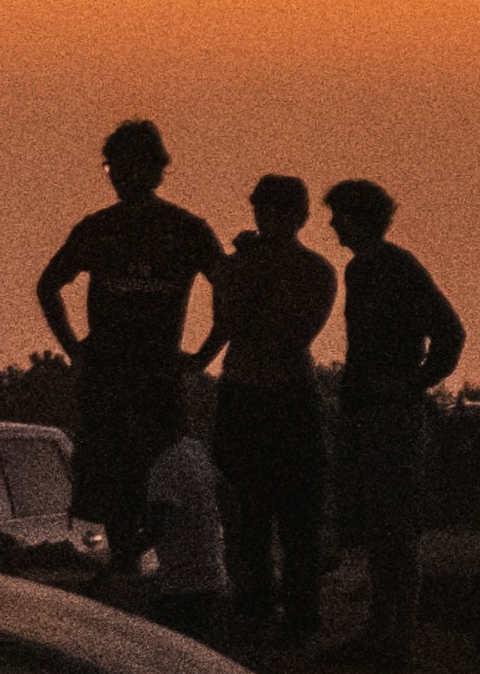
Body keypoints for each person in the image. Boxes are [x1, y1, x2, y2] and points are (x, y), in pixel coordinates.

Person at [34, 120, 231, 580]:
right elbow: (49, 285)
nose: (118, 176)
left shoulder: (184, 229)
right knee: (111, 480)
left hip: (156, 377)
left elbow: (229, 289)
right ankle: (127, 566)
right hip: (108, 375)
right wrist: (74, 350)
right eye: (112, 168)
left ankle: (163, 571)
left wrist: (204, 355)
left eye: (126, 167)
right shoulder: (99, 228)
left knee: (162, 474)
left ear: (153, 169)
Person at [322, 176, 464, 656]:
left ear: (361, 217)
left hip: (390, 417)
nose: (332, 225)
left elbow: (450, 332)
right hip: (367, 412)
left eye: (339, 215)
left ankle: (396, 634)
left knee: (394, 525)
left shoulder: (395, 267)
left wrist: (412, 383)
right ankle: (383, 628)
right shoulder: (361, 270)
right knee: (378, 525)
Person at [209, 175, 340, 640]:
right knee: (248, 511)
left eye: (279, 211)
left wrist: (262, 271)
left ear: (299, 216)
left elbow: (294, 333)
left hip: (285, 394)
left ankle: (299, 612)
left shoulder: (317, 271)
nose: (269, 219)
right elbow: (228, 321)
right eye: (263, 209)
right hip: (247, 391)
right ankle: (255, 605)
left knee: (296, 513)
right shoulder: (239, 266)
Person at [138, 375, 237, 633]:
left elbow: (154, 532)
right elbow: (226, 493)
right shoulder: (194, 450)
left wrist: (116, 560)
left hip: (182, 590)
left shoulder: (163, 468)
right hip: (214, 582)